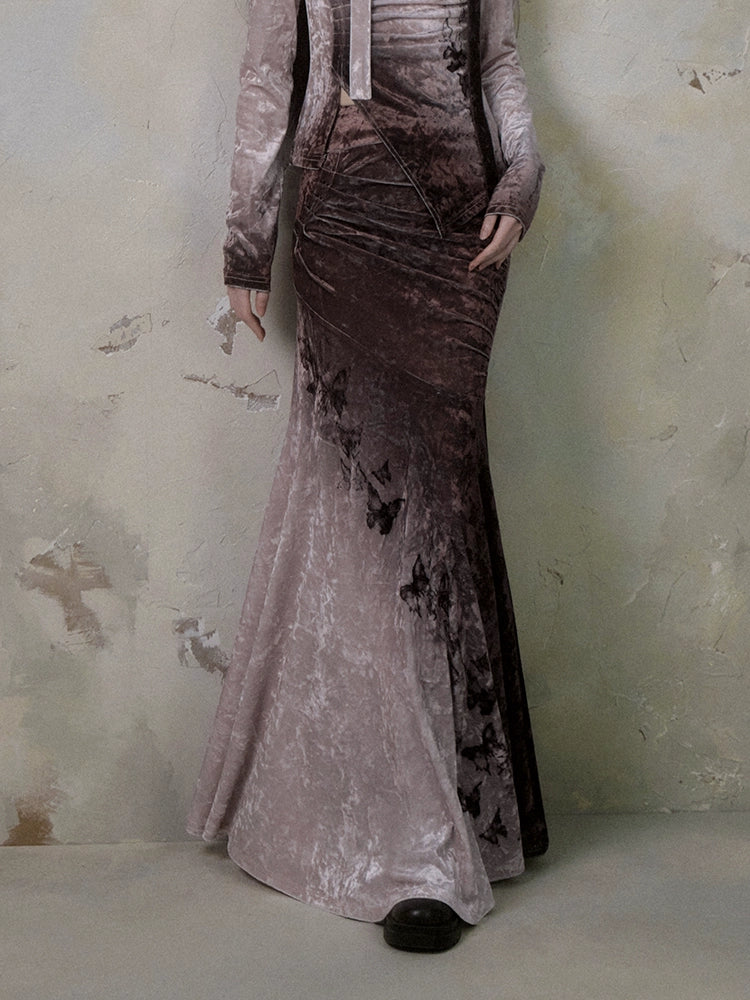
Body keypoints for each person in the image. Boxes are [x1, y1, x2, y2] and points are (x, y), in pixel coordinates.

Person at [188, 0, 548, 953]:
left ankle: (468, 813)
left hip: (464, 229)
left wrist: (523, 175)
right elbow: (270, 76)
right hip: (347, 217)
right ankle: (416, 849)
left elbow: (497, 61)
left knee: (442, 512)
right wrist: (246, 238)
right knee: (376, 527)